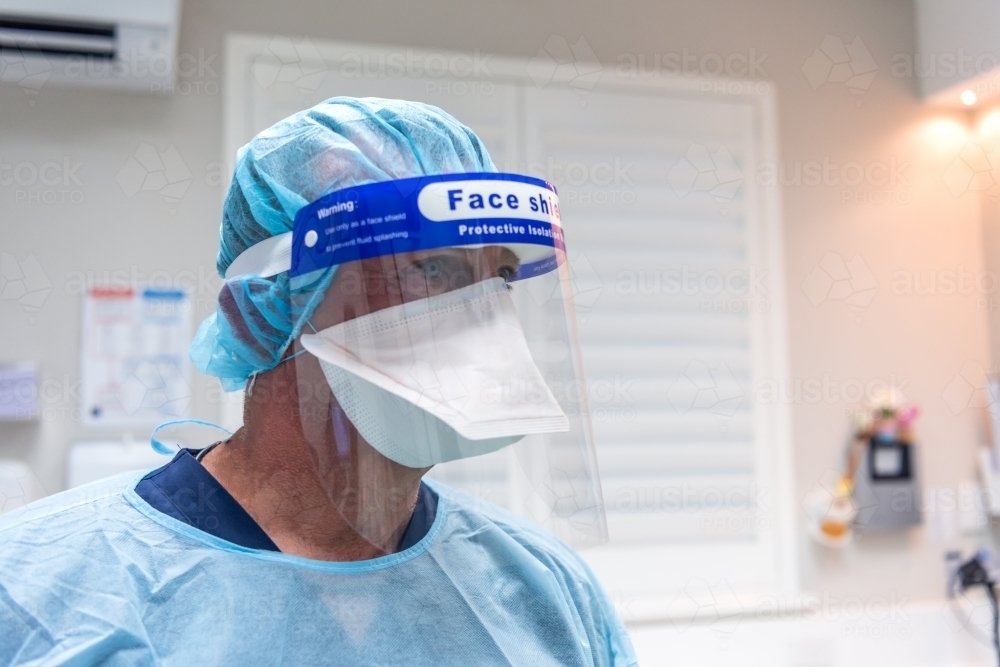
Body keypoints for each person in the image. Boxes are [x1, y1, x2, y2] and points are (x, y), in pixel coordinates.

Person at [0, 97, 638, 666]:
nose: (483, 318)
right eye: (435, 269)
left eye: (497, 279)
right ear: (272, 303)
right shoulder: (39, 589)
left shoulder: (548, 591)